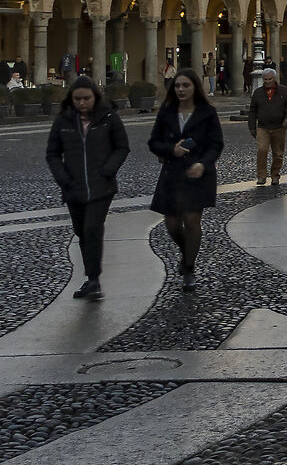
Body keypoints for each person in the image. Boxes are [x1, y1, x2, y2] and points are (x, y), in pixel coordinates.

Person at [45, 75, 132, 301]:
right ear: (71, 99)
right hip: (73, 186)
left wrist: (107, 170)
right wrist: (63, 178)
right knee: (81, 231)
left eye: (86, 98)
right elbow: (52, 153)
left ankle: (93, 279)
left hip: (101, 186)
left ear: (95, 97)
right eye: (77, 99)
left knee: (92, 228)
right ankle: (91, 278)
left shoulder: (109, 117)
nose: (82, 103)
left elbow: (122, 147)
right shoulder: (63, 121)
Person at [148, 71, 222, 291]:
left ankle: (189, 268)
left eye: (185, 85)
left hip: (198, 173)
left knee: (191, 220)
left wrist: (203, 163)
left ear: (195, 87)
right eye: (177, 85)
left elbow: (216, 144)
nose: (181, 89)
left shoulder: (207, 112)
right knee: (172, 224)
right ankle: (186, 251)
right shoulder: (167, 111)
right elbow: (153, 142)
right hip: (172, 174)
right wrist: (171, 149)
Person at [247, 67, 287, 187]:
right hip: (263, 127)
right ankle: (261, 176)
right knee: (262, 150)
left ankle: (275, 175)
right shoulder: (258, 93)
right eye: (265, 79)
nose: (268, 81)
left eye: (270, 79)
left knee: (278, 153)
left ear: (274, 78)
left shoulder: (283, 91)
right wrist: (252, 127)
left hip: (279, 127)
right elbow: (252, 111)